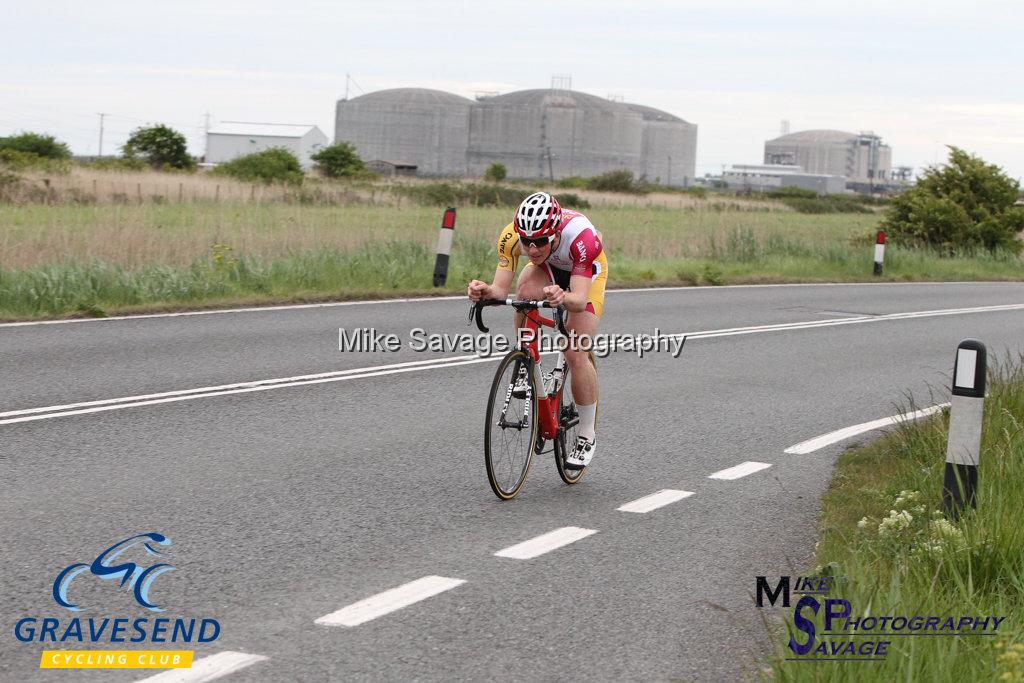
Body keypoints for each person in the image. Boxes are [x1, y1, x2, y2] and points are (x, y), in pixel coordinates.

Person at [467, 191, 607, 469]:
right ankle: (526, 362)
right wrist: (483, 291)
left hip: (586, 272)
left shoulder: (581, 237)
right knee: (524, 293)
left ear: (554, 233)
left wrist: (562, 297)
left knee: (574, 349)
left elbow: (578, 300)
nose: (532, 248)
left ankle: (587, 434)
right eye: (527, 241)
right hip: (550, 269)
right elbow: (500, 290)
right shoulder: (511, 237)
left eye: (540, 241)